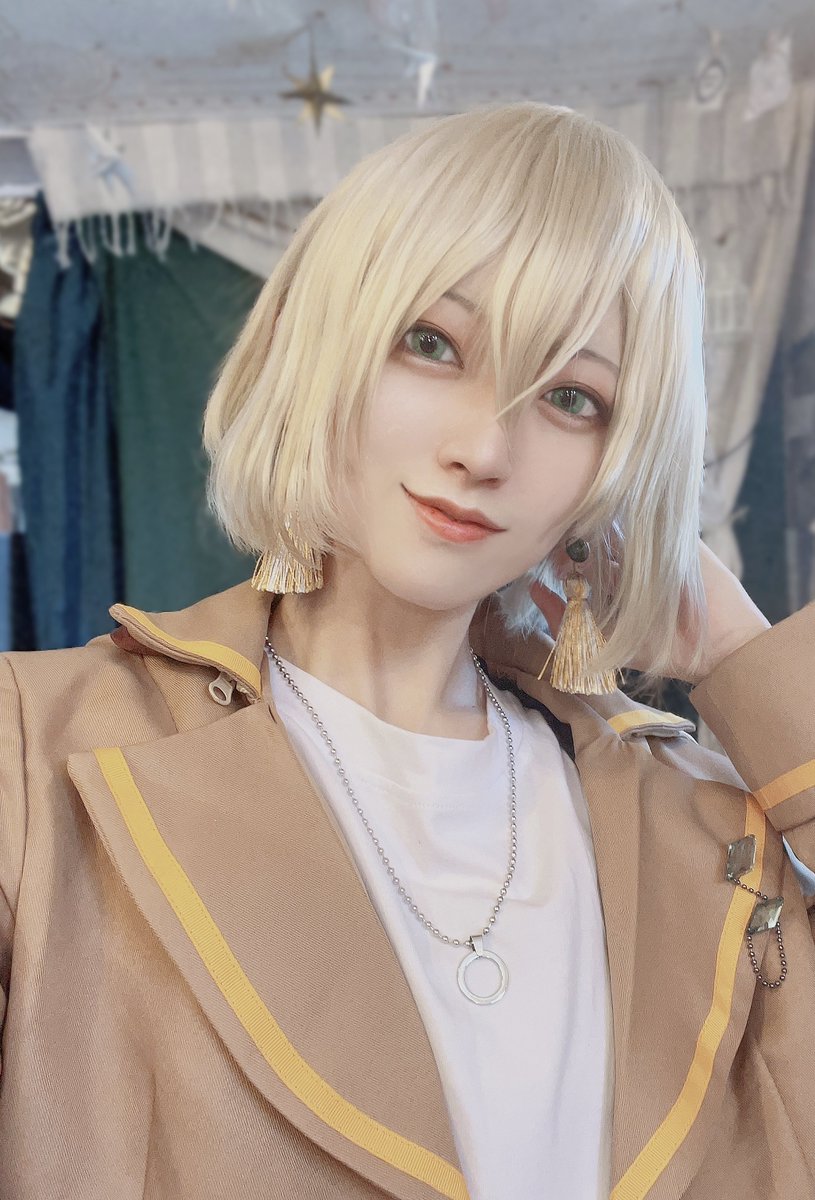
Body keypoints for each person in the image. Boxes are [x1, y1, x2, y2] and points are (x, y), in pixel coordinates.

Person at [1, 101, 813, 1200]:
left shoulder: (698, 818)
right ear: (321, 342)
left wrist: (739, 651)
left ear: (617, 465)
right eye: (431, 344)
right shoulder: (32, 751)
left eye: (570, 397)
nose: (483, 446)